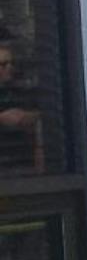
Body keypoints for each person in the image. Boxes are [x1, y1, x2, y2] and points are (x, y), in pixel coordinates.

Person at [0, 31, 44, 172]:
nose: (10, 68)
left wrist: (30, 117)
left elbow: (44, 112)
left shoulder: (18, 93)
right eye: (4, 64)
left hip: (22, 162)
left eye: (11, 63)